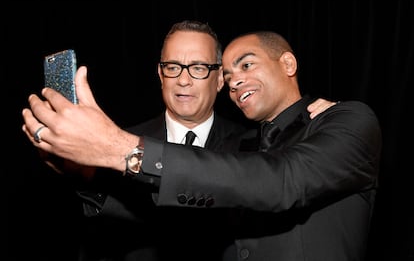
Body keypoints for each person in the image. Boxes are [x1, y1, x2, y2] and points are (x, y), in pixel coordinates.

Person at [20, 30, 368, 261]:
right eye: (230, 76)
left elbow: (281, 181)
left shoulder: (348, 119)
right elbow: (180, 220)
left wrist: (120, 150)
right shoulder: (253, 145)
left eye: (245, 65)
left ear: (288, 63)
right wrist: (90, 175)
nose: (236, 82)